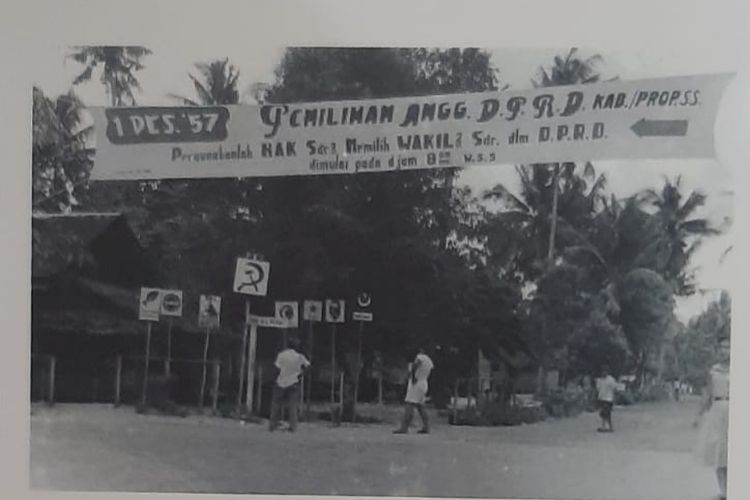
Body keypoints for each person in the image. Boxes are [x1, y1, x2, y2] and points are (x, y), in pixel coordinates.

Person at [694, 334, 730, 500]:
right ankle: (724, 492)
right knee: (718, 452)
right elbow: (707, 395)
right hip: (717, 411)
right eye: (722, 347)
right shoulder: (713, 371)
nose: (725, 351)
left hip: (734, 412)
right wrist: (698, 415)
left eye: (728, 347)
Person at [269, 337, 310, 433]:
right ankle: (293, 427)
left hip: (281, 381)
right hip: (294, 382)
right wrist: (301, 374)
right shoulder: (299, 356)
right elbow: (308, 366)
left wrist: (276, 377)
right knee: (293, 406)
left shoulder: (281, 355)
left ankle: (272, 425)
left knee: (276, 404)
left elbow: (276, 368)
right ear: (296, 346)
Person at [394, 347, 434, 434]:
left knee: (409, 404)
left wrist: (413, 376)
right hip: (424, 382)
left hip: (417, 382)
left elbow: (416, 364)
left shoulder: (420, 357)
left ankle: (404, 427)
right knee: (420, 406)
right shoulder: (429, 360)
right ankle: (426, 427)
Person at [595, 366, 618, 433]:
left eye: (605, 371)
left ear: (607, 372)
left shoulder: (611, 379)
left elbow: (615, 388)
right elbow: (598, 389)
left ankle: (610, 427)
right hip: (602, 398)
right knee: (603, 414)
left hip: (608, 399)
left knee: (606, 413)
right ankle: (604, 426)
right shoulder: (600, 380)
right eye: (602, 372)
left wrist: (614, 398)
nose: (603, 373)